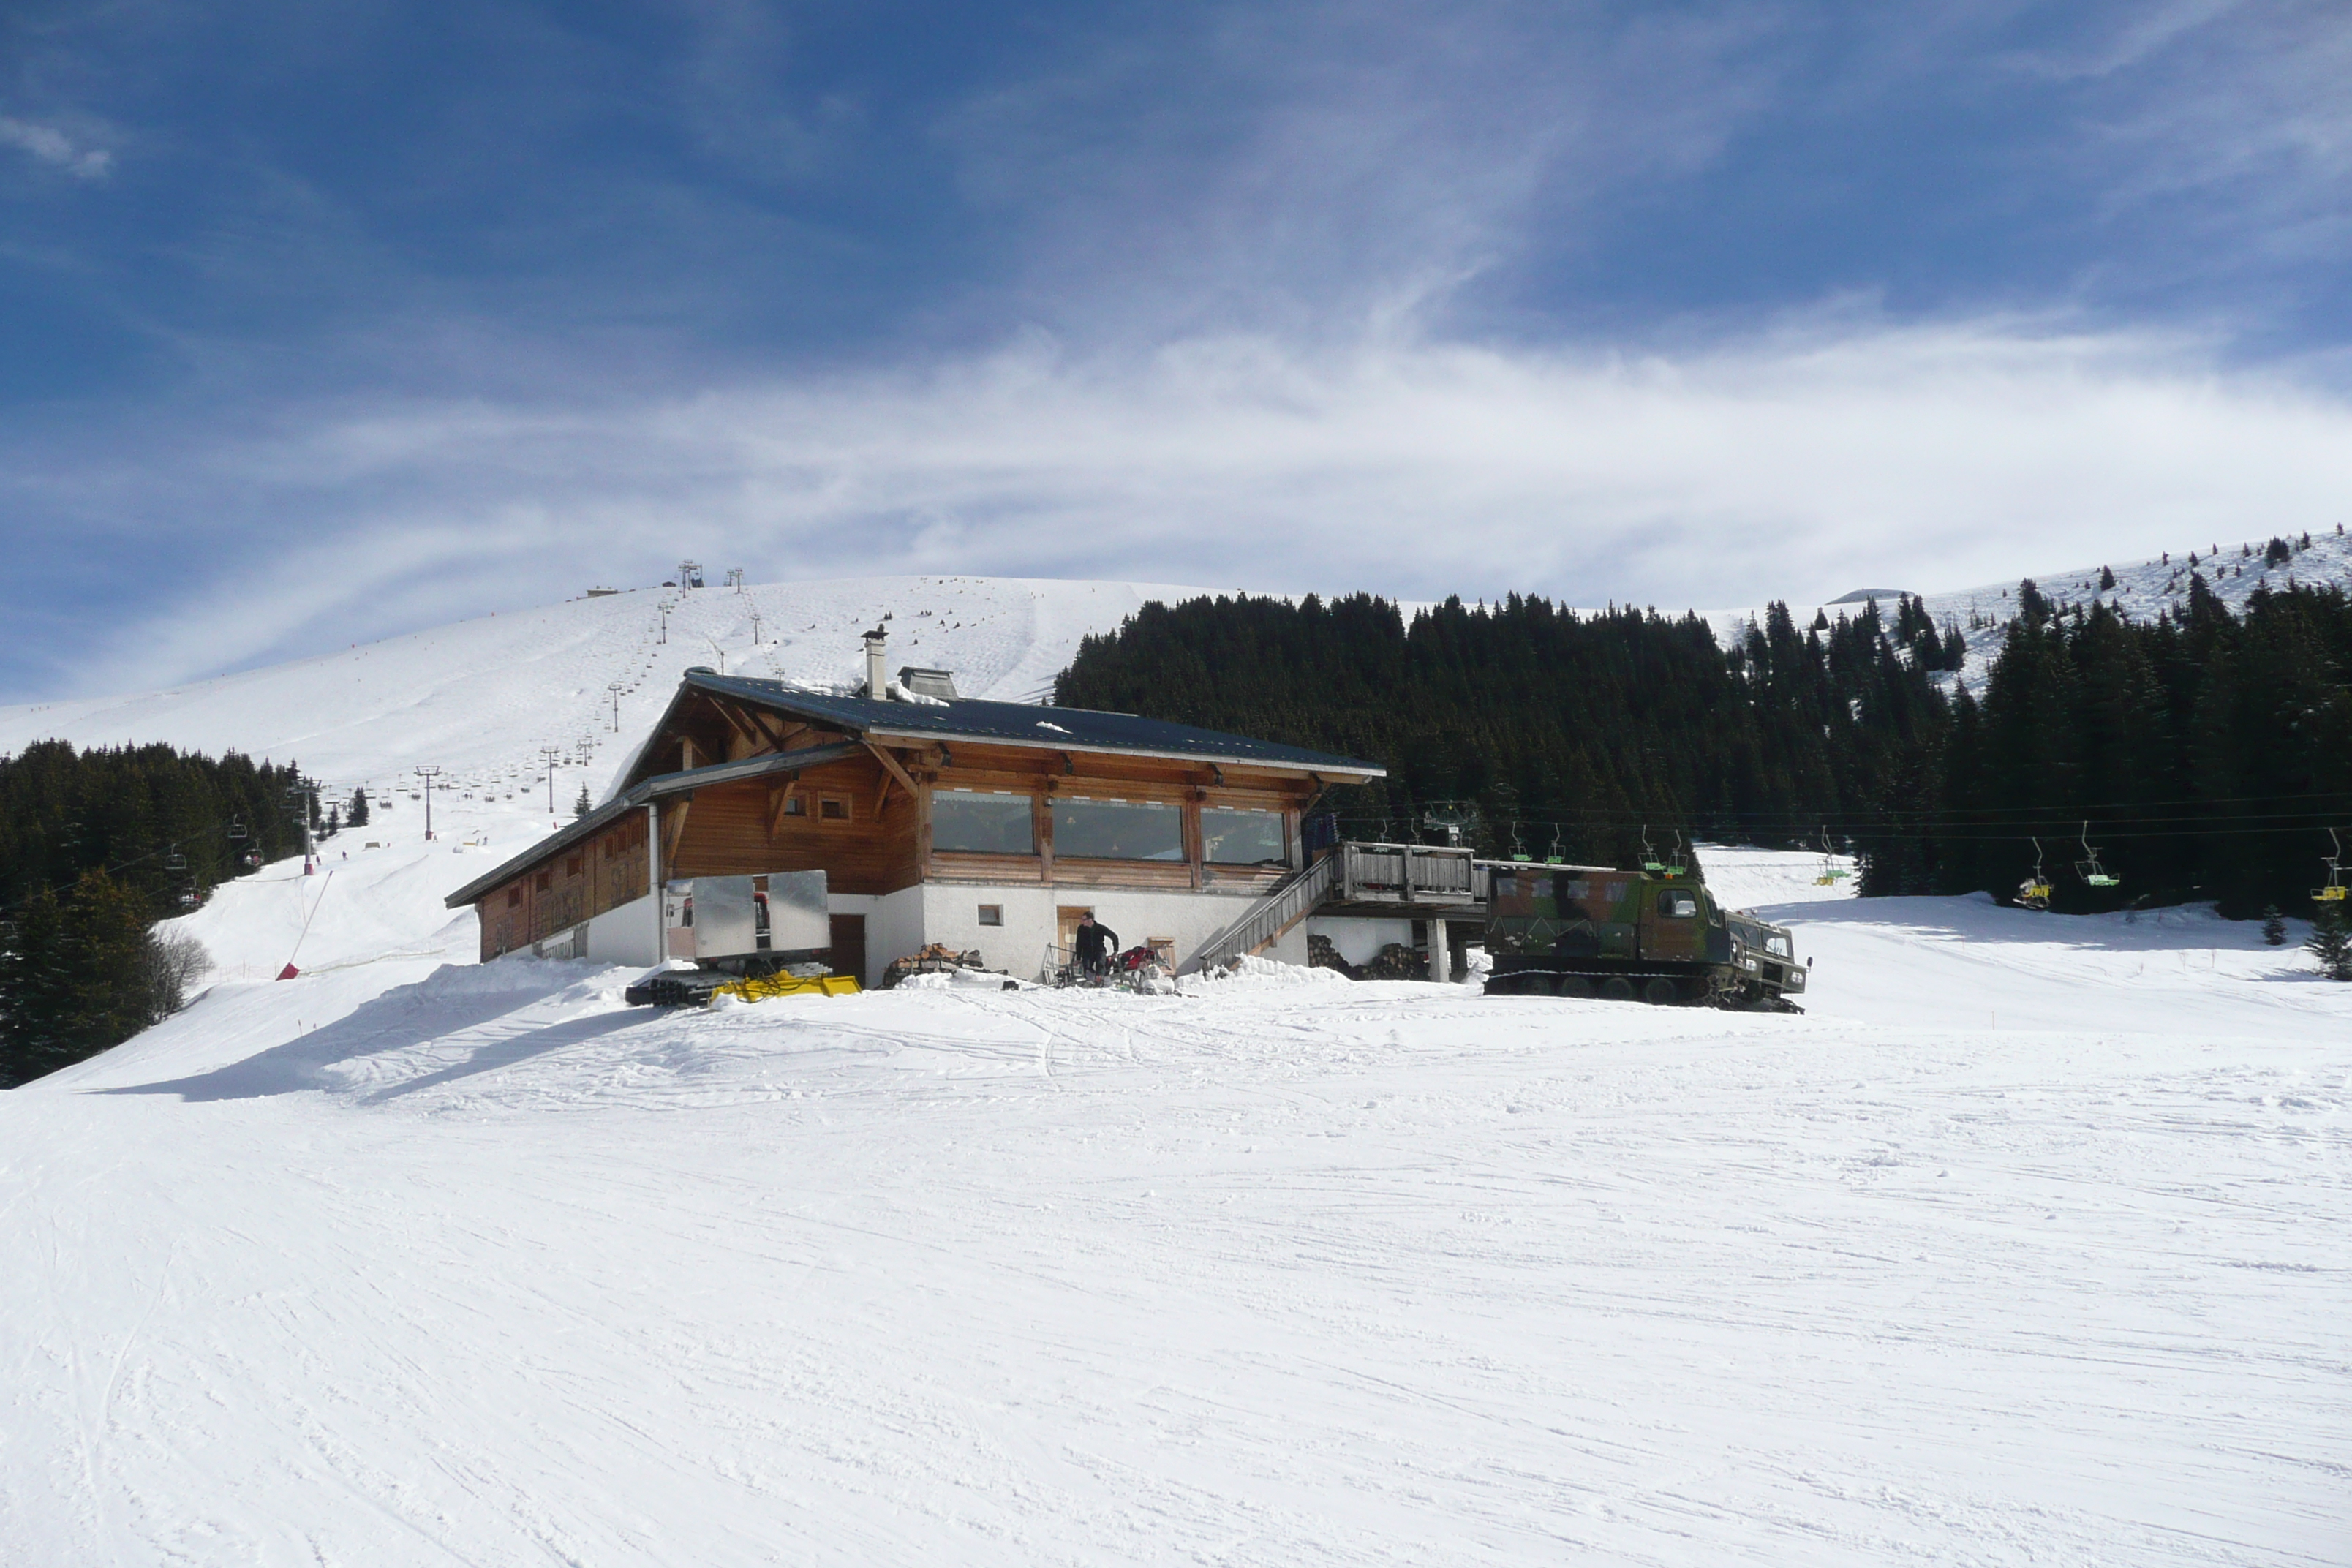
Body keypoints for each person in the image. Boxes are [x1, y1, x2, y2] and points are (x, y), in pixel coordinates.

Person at [1073, 911, 1120, 980]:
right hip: (1087, 952)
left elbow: (1114, 937)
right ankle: (1090, 980)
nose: (1082, 921)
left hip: (1099, 950)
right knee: (1087, 965)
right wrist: (1078, 958)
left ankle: (1100, 978)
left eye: (1084, 919)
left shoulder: (1100, 928)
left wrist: (1115, 951)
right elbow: (1079, 944)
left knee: (1100, 963)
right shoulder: (1081, 929)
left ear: (1090, 920)